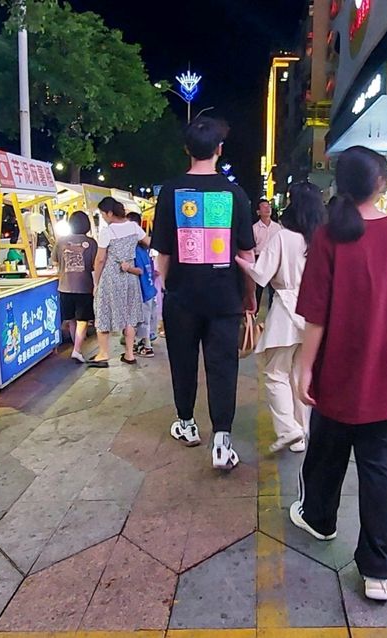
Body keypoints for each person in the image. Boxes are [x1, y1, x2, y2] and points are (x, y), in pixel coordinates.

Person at [291, 146, 387, 602]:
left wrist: (305, 367)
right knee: (379, 471)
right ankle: (378, 571)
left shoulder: (330, 237)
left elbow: (316, 318)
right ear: (383, 183)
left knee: (326, 454)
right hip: (386, 376)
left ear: (340, 185)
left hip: (338, 373)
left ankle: (319, 518)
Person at [151, 116, 256, 470]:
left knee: (182, 361)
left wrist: (162, 286)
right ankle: (222, 442)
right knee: (223, 366)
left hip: (181, 297)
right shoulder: (235, 193)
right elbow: (246, 255)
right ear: (219, 150)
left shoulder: (170, 191)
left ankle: (186, 424)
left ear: (186, 150)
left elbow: (162, 250)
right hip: (225, 297)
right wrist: (250, 295)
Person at [236, 181, 324, 454]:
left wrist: (239, 259)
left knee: (275, 372)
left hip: (286, 309)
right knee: (301, 372)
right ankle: (303, 430)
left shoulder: (283, 236)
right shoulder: (322, 237)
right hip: (315, 313)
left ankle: (289, 430)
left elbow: (261, 274)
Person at [89, 197, 147, 368]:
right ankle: (129, 354)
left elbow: (100, 259)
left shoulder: (107, 231)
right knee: (130, 314)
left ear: (109, 213)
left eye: (102, 214)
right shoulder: (134, 227)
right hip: (130, 276)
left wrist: (96, 282)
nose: (103, 217)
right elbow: (149, 242)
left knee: (103, 311)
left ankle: (103, 353)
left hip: (111, 276)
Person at [52, 211, 97, 363]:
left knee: (71, 319)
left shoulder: (61, 241)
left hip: (64, 286)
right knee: (82, 320)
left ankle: (76, 348)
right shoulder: (91, 243)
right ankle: (77, 349)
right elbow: (94, 265)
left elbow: (55, 262)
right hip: (84, 287)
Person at [125, 211, 157, 358]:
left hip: (143, 290)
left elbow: (139, 271)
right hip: (150, 289)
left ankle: (147, 346)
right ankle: (146, 340)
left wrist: (126, 268)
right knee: (148, 317)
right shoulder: (145, 249)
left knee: (142, 320)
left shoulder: (134, 250)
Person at [253, 198, 281, 312]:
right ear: (258, 212)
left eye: (268, 206)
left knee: (273, 290)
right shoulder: (254, 228)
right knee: (257, 290)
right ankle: (254, 314)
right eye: (263, 207)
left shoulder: (277, 227)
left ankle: (271, 314)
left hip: (274, 259)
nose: (267, 208)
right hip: (259, 259)